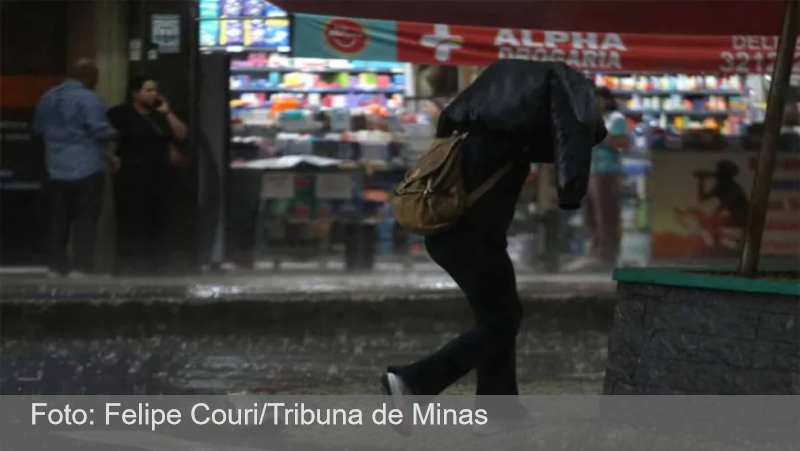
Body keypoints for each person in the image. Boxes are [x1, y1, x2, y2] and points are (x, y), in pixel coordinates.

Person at [381, 60, 607, 436]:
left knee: (497, 319)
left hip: (456, 237)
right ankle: (415, 382)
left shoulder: (472, 133)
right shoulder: (503, 141)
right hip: (471, 240)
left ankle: (499, 413)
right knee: (502, 321)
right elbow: (573, 135)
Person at [33, 58, 117, 278]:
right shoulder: (90, 99)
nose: (98, 79)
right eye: (96, 74)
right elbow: (100, 130)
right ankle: (81, 266)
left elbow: (38, 128)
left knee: (58, 219)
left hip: (55, 166)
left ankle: (56, 266)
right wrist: (116, 134)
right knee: (85, 219)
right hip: (87, 166)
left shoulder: (47, 97)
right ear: (87, 75)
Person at [107, 75, 188, 275]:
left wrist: (167, 112)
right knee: (130, 222)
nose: (154, 95)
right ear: (136, 94)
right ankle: (127, 264)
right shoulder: (120, 114)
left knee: (158, 221)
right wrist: (110, 157)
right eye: (149, 90)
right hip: (131, 175)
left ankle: (156, 264)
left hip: (159, 176)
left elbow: (182, 134)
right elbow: (105, 138)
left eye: (155, 91)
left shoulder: (159, 116)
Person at [566, 87, 628, 272]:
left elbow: (621, 143)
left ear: (606, 101)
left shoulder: (616, 119)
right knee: (590, 214)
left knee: (605, 214)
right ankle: (594, 251)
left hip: (606, 172)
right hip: (589, 171)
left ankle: (607, 254)